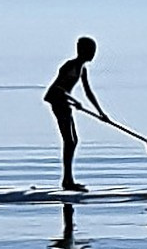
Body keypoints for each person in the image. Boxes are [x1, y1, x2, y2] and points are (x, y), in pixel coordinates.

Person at [45, 36, 107, 192]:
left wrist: (101, 113)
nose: (93, 54)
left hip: (65, 103)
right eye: (91, 50)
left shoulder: (82, 69)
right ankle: (67, 181)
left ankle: (68, 179)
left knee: (73, 141)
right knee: (69, 141)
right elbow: (58, 89)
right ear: (83, 51)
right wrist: (74, 101)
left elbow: (88, 92)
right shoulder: (70, 66)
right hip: (58, 102)